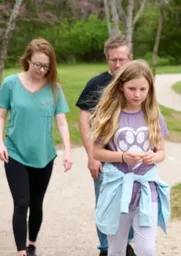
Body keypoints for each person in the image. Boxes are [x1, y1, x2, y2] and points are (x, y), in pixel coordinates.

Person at [0, 38, 73, 256]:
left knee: (36, 204)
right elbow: (0, 116)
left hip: (43, 156)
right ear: (27, 60)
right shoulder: (10, 83)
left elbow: (62, 121)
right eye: (37, 64)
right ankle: (21, 252)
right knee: (21, 202)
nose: (41, 69)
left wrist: (67, 150)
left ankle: (32, 244)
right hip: (15, 152)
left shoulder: (54, 88)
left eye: (46, 66)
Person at [90, 60, 171, 256]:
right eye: (132, 88)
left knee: (147, 249)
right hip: (118, 187)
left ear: (150, 88)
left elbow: (161, 152)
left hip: (146, 187)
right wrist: (122, 156)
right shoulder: (110, 115)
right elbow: (97, 152)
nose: (138, 94)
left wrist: (154, 156)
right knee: (117, 249)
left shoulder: (153, 114)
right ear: (121, 86)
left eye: (143, 89)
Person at [76, 36, 136, 256]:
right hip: (104, 157)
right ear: (107, 59)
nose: (117, 64)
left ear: (131, 58)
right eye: (113, 60)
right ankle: (105, 247)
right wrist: (91, 156)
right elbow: (83, 121)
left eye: (122, 59)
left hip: (132, 158)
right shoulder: (96, 84)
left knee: (131, 203)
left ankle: (126, 244)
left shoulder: (137, 84)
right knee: (105, 203)